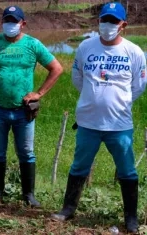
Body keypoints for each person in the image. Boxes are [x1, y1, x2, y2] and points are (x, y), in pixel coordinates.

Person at [51, 2, 146, 233]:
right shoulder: (85, 47)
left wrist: (116, 101)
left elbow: (139, 86)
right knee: (79, 166)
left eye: (114, 21)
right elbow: (77, 78)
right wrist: (94, 99)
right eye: (105, 20)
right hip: (88, 122)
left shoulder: (134, 52)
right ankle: (68, 209)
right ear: (98, 21)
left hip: (119, 124)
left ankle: (131, 218)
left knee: (127, 171)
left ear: (123, 25)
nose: (108, 25)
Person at [0, 6, 63, 206]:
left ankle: (28, 195)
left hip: (23, 111)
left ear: (23, 23)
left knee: (26, 152)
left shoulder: (33, 45)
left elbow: (56, 68)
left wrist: (38, 93)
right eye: (7, 21)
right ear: (2, 22)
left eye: (14, 21)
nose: (10, 25)